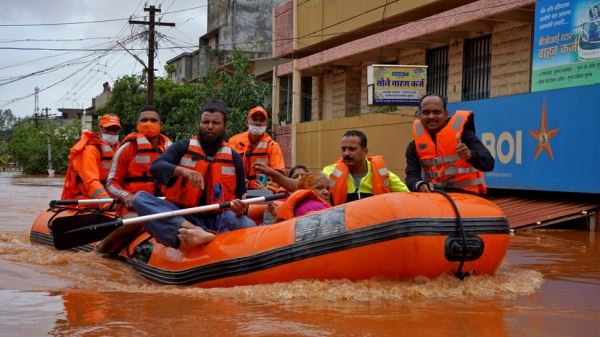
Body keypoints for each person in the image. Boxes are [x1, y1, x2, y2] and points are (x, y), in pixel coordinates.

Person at [132, 99, 256, 249]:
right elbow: (156, 167)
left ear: (225, 126)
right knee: (140, 198)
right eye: (205, 122)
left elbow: (241, 197)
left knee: (248, 225)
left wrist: (241, 208)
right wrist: (184, 171)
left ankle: (210, 237)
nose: (210, 127)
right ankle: (194, 231)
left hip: (218, 217)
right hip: (183, 213)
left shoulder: (234, 157)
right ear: (199, 124)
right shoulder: (182, 147)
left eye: (215, 123)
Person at [97, 106, 172, 253]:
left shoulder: (171, 149)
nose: (148, 123)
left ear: (161, 125)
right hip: (133, 205)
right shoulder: (127, 149)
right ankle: (103, 246)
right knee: (137, 219)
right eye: (144, 120)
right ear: (137, 125)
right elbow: (111, 183)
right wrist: (127, 196)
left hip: (163, 204)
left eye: (153, 120)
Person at [404, 93, 494, 194]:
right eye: (426, 112)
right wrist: (419, 184)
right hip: (436, 198)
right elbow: (411, 176)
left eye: (436, 112)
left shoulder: (464, 135)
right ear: (420, 115)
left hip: (467, 197)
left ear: (445, 114)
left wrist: (470, 155)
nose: (431, 116)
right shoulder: (413, 146)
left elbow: (489, 163)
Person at [322, 130, 408, 206]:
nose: (346, 153)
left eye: (352, 149)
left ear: (365, 152)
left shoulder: (382, 174)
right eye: (343, 149)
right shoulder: (329, 173)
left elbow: (407, 196)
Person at [61, 114, 121, 201]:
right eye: (108, 129)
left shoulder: (120, 149)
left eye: (116, 129)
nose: (112, 132)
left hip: (112, 200)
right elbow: (91, 181)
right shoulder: (89, 150)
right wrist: (105, 201)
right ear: (99, 129)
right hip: (87, 200)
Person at [228, 106, 286, 189]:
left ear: (266, 124)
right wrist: (238, 182)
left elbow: (279, 177)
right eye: (254, 119)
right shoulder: (233, 142)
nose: (258, 123)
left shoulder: (273, 146)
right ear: (247, 122)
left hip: (262, 194)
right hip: (237, 192)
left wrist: (268, 188)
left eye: (262, 120)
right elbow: (225, 169)